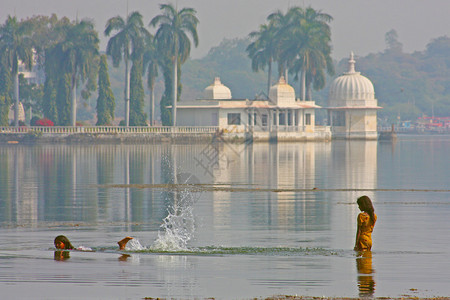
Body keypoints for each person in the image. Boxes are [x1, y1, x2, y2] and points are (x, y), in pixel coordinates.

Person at [54, 235, 134, 251]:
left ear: (64, 243)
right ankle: (122, 245)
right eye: (55, 243)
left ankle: (122, 245)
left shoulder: (70, 250)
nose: (57, 245)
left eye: (59, 243)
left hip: (82, 250)